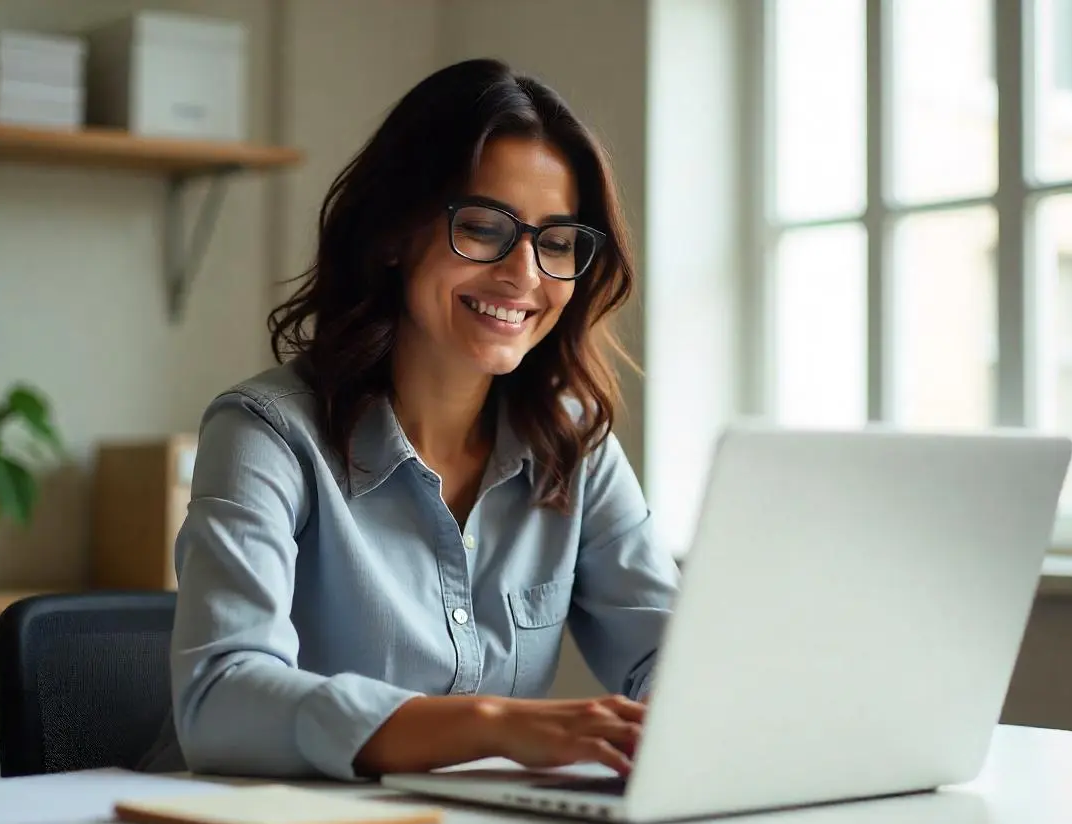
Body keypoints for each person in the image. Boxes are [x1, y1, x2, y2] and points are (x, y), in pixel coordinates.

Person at [153, 57, 680, 782]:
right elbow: (222, 700)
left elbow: (670, 660)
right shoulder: (266, 433)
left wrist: (688, 719)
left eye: (556, 242)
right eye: (486, 227)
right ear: (395, 234)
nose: (524, 275)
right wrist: (496, 725)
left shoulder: (574, 443)